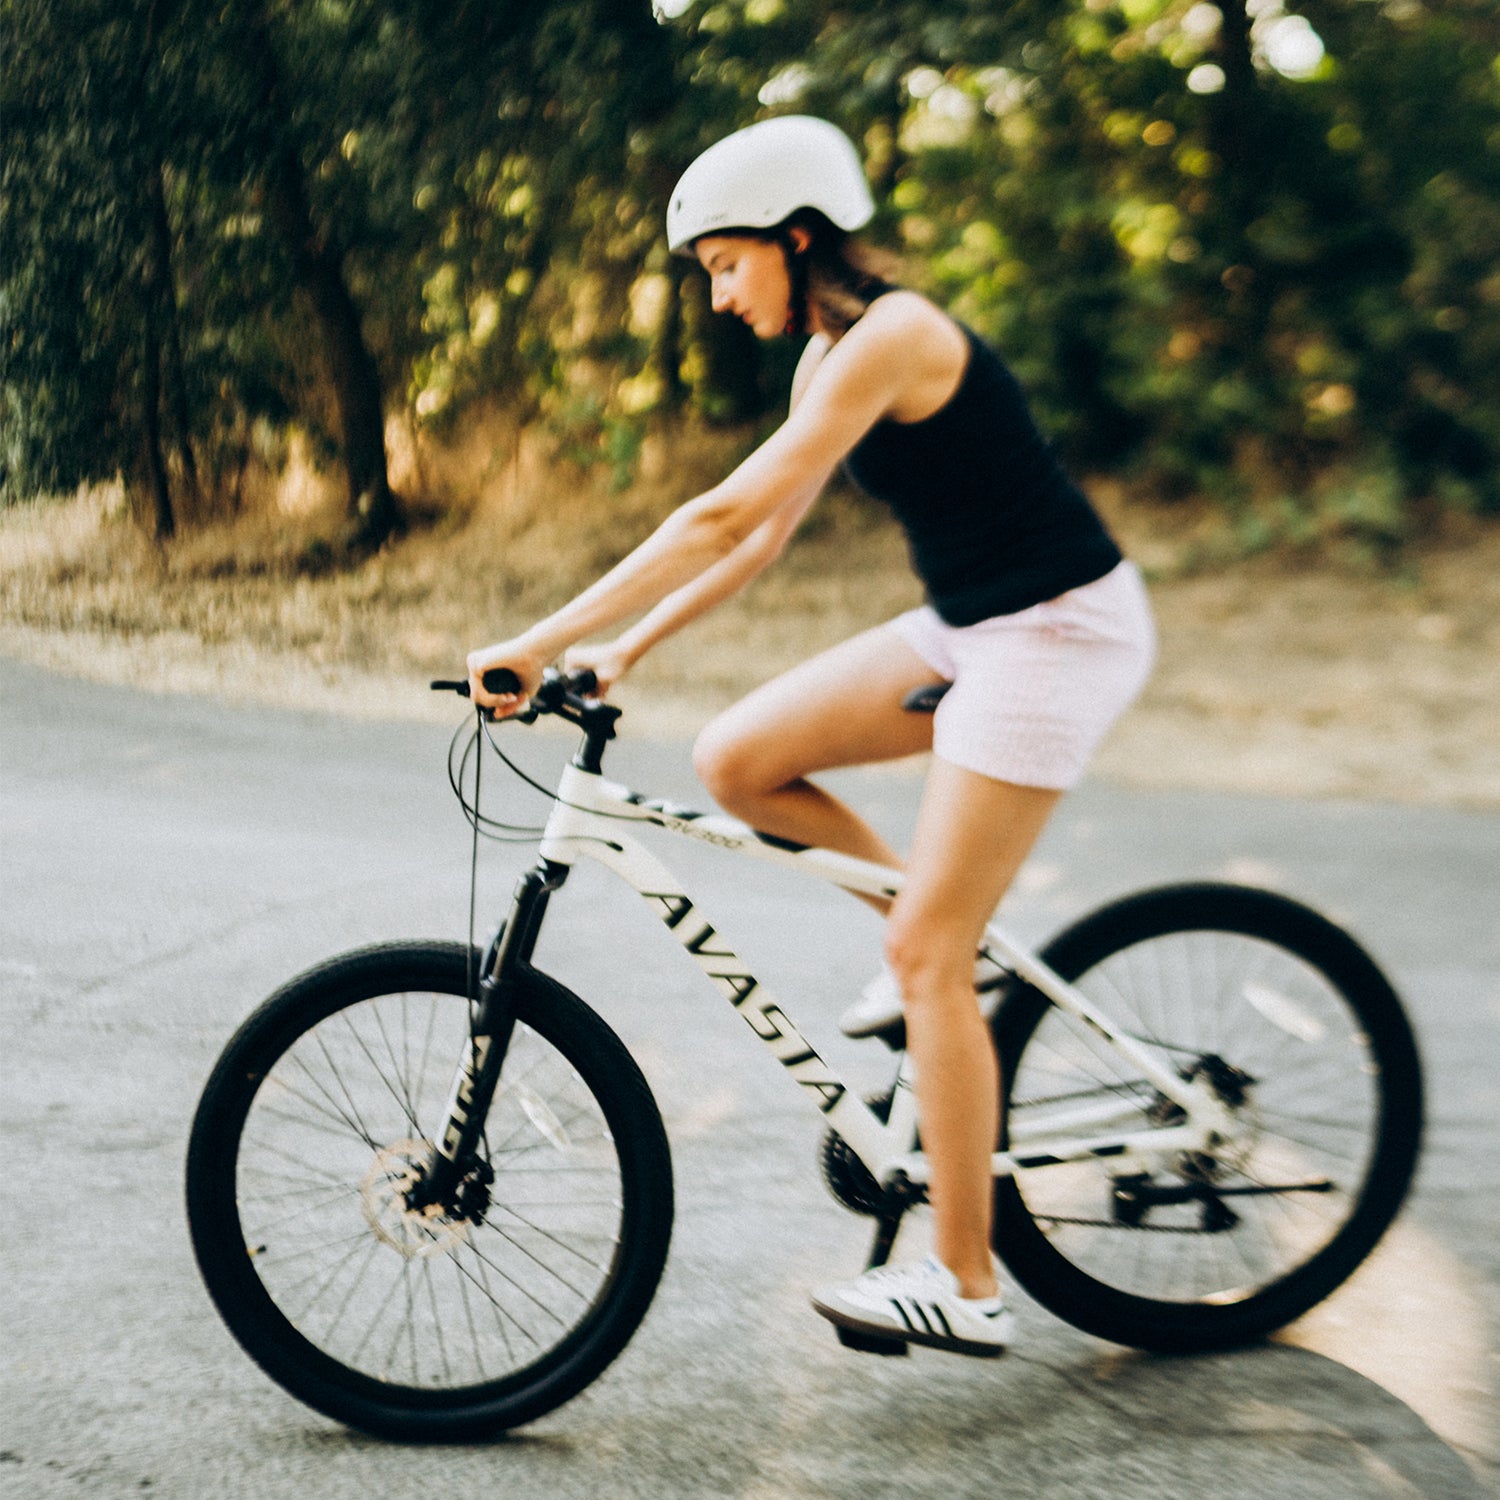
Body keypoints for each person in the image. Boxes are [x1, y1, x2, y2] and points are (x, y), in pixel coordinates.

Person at [467, 115, 1156, 1357]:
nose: (718, 296)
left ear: (796, 238)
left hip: (1057, 632)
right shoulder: (829, 354)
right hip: (970, 625)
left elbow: (725, 511)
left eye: (727, 264)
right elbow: (761, 540)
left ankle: (965, 1282)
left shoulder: (896, 336)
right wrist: (623, 651)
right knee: (739, 761)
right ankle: (943, 951)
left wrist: (541, 632)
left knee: (929, 956)